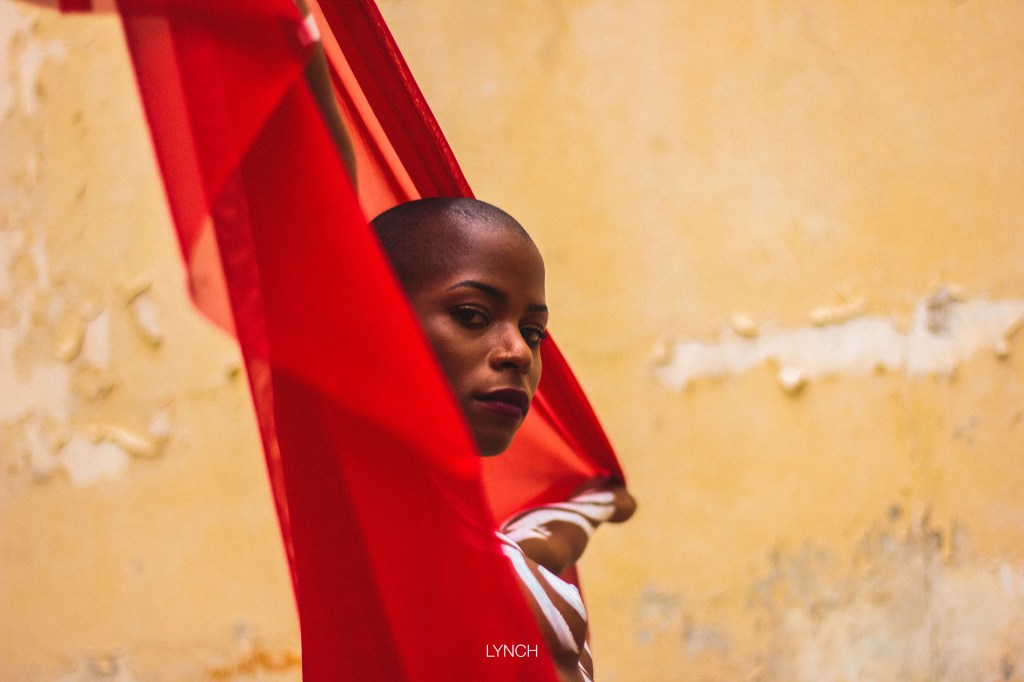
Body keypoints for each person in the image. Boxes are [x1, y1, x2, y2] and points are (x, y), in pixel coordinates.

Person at [371, 197, 636, 682]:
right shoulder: (373, 515)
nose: (520, 353)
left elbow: (539, 546)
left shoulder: (476, 549)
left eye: (534, 332)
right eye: (473, 315)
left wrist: (597, 503)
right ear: (373, 321)